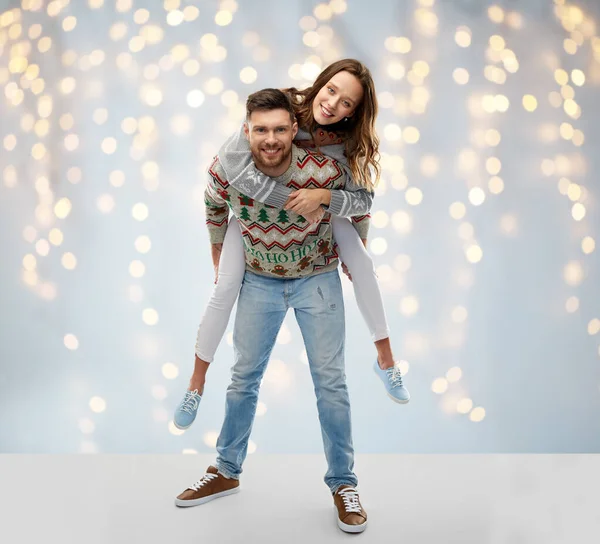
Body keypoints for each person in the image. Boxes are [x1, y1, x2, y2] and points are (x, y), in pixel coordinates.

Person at [174, 59, 409, 431]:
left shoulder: (348, 146)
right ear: (321, 83)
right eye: (331, 90)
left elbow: (363, 201)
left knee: (363, 264)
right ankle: (195, 384)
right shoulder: (279, 108)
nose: (333, 104)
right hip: (251, 220)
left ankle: (386, 360)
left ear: (355, 112)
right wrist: (222, 239)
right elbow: (231, 167)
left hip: (321, 224)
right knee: (224, 287)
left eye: (346, 102)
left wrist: (326, 202)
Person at [175, 88, 368, 533]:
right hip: (259, 281)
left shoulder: (323, 167)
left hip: (317, 279)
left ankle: (343, 484)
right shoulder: (228, 167)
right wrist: (217, 253)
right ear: (247, 131)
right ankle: (225, 470)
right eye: (261, 130)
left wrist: (335, 212)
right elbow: (212, 206)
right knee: (243, 378)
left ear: (294, 129)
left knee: (331, 384)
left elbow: (363, 200)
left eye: (280, 129)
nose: (271, 139)